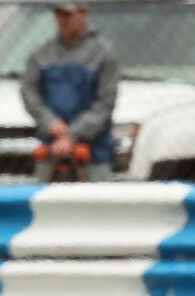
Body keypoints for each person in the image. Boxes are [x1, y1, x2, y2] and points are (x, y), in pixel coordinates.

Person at [22, 2, 117, 183]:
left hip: (93, 153)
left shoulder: (103, 54)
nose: (62, 21)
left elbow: (105, 102)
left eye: (68, 15)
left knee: (94, 207)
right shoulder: (41, 53)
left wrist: (73, 135)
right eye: (58, 15)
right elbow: (29, 91)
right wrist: (50, 122)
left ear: (83, 14)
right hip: (50, 151)